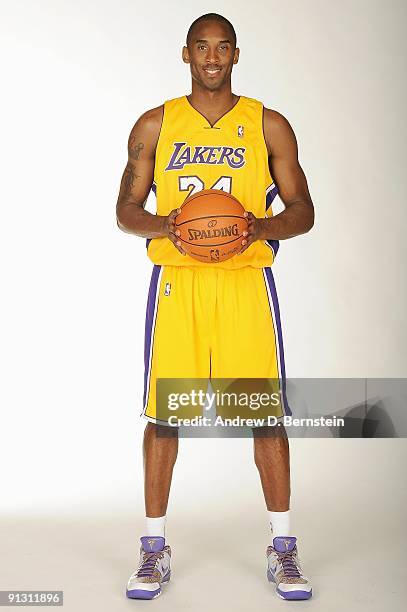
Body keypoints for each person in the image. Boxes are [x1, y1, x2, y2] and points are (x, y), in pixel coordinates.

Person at [116, 12, 314, 601]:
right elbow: (125, 210)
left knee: (264, 415)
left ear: (235, 54)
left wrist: (257, 226)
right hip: (178, 283)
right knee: (166, 415)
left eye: (221, 47)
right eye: (201, 47)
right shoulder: (156, 125)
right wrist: (167, 226)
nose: (211, 57)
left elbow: (303, 209)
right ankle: (154, 551)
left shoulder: (268, 124)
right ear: (185, 54)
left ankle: (284, 550)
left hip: (244, 283)